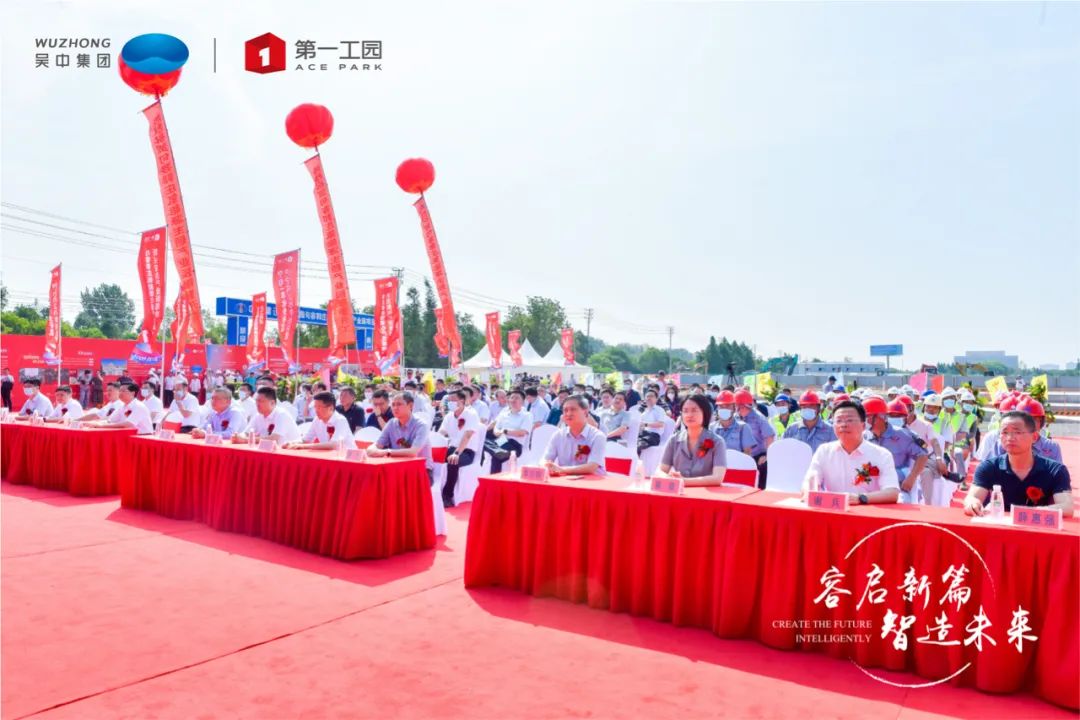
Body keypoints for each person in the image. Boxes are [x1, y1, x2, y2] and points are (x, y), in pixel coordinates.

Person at [964, 411, 1072, 517]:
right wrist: (972, 503)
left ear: (1034, 437)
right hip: (997, 524)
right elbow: (972, 497)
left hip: (1036, 525)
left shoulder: (1055, 470)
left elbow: (1066, 507)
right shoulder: (988, 467)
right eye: (1005, 432)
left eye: (1017, 432)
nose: (1010, 438)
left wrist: (1027, 513)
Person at [802, 400, 899, 504]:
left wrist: (860, 498)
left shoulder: (882, 455)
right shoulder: (824, 451)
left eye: (849, 420)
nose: (843, 425)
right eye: (838, 421)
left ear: (863, 426)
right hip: (833, 509)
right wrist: (809, 489)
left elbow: (892, 492)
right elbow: (810, 480)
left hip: (868, 509)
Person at [864, 397, 929, 504]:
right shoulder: (864, 436)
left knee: (903, 502)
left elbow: (922, 455)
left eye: (867, 417)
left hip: (897, 486)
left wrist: (912, 477)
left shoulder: (903, 435)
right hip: (870, 484)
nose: (865, 421)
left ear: (881, 417)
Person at [658, 394, 726, 486]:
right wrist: (669, 478)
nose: (689, 415)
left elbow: (717, 478)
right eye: (685, 411)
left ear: (704, 413)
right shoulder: (674, 440)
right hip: (680, 492)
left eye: (694, 410)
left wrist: (684, 481)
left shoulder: (717, 442)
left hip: (706, 493)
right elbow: (660, 471)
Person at [366, 392, 433, 484]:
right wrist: (371, 449)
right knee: (372, 479)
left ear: (410, 406)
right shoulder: (391, 423)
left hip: (420, 470)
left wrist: (386, 452)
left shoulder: (421, 425)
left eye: (399, 404)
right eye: (393, 405)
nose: (395, 408)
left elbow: (413, 452)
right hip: (397, 468)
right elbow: (377, 445)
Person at [976, 398, 1062, 464]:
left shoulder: (1051, 447)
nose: (1030, 424)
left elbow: (1058, 475)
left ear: (1041, 422)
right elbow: (987, 472)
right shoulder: (1002, 444)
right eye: (1026, 420)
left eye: (1034, 420)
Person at [437, 390, 483, 507]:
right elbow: (441, 432)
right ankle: (432, 490)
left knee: (453, 461)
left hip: (466, 451)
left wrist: (457, 453)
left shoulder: (471, 414)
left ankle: (447, 496)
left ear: (462, 401)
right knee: (431, 458)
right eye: (449, 400)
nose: (450, 402)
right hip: (451, 448)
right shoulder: (449, 416)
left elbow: (467, 436)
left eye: (453, 400)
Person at [542, 395, 606, 477]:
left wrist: (562, 470)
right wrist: (547, 465)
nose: (568, 413)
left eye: (573, 409)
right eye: (565, 410)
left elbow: (592, 467)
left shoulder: (597, 436)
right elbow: (545, 459)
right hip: (564, 480)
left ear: (585, 412)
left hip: (592, 481)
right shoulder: (558, 435)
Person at [735, 388, 775, 489]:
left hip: (757, 455)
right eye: (736, 406)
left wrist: (767, 455)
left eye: (740, 406)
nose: (738, 409)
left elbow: (769, 436)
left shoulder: (759, 418)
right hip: (740, 455)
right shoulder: (735, 417)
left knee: (763, 468)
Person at [233, 387, 301, 445]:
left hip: (287, 452)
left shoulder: (282, 415)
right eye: (256, 401)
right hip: (266, 450)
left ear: (272, 403)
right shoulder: (258, 415)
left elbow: (274, 439)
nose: (257, 404)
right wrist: (238, 436)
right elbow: (246, 433)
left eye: (261, 401)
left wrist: (246, 440)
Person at [487, 388, 531, 474]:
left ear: (522, 401)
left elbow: (522, 432)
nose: (513, 400)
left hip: (515, 444)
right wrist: (498, 432)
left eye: (517, 398)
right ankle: (500, 452)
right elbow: (496, 428)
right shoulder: (504, 414)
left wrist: (505, 431)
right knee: (484, 442)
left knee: (496, 457)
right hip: (501, 441)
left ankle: (494, 479)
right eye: (512, 397)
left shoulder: (527, 415)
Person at [289, 392, 354, 450]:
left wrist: (304, 446)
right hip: (328, 456)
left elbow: (334, 445)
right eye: (315, 407)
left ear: (331, 408)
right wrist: (292, 443)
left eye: (319, 407)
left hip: (347, 457)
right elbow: (306, 439)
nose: (316, 410)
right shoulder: (317, 420)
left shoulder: (340, 420)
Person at [84, 382, 153, 434]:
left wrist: (101, 426)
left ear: (133, 393)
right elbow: (110, 421)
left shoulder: (139, 406)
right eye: (120, 391)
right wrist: (93, 423)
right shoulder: (122, 407)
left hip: (143, 438)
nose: (120, 393)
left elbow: (128, 424)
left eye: (123, 391)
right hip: (129, 436)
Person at [711, 390, 755, 455]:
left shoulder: (743, 428)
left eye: (727, 406)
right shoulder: (711, 428)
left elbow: (747, 454)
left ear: (734, 408)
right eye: (721, 406)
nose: (724, 409)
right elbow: (705, 451)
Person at [637, 389, 667, 454]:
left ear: (656, 399)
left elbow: (661, 424)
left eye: (651, 396)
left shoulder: (660, 410)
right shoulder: (643, 412)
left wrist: (646, 424)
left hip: (653, 435)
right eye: (647, 396)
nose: (649, 398)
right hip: (642, 434)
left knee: (640, 445)